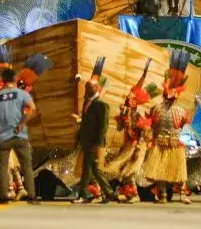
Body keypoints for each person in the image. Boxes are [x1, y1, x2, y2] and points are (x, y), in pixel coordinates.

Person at [142, 51, 192, 204]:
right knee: (177, 170)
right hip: (175, 143)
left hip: (160, 143)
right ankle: (182, 195)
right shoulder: (181, 110)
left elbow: (151, 124)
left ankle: (163, 195)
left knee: (161, 170)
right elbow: (185, 125)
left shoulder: (155, 109)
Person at [0, 66, 40, 205]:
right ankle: (31, 196)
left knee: (3, 166)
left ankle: (3, 196)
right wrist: (23, 121)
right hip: (19, 135)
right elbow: (33, 108)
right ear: (15, 79)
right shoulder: (21, 94)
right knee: (26, 165)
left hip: (2, 137)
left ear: (3, 80)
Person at [105, 66, 153, 204]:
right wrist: (122, 119)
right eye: (127, 101)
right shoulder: (126, 115)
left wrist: (138, 147)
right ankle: (130, 194)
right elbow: (120, 129)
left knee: (129, 171)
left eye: (130, 102)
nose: (127, 103)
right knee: (123, 171)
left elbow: (143, 132)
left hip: (136, 146)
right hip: (127, 146)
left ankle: (134, 195)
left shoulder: (137, 116)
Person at [72, 59, 115, 204]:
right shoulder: (87, 102)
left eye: (88, 87)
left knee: (92, 169)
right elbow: (85, 122)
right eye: (85, 87)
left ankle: (90, 194)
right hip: (86, 141)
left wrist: (98, 144)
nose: (85, 89)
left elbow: (103, 126)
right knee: (90, 169)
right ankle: (104, 193)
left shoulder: (102, 105)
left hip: (94, 142)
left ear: (95, 88)